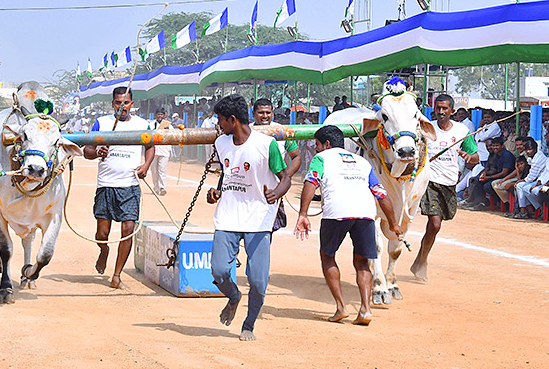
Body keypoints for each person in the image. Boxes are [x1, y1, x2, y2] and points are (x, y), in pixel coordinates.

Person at [204, 94, 289, 341]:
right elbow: (229, 173)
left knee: (258, 281)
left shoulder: (266, 144)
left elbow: (285, 177)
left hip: (259, 218)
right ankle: (233, 296)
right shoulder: (222, 144)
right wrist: (217, 192)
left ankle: (249, 325)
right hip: (228, 216)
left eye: (220, 120)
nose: (218, 125)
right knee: (219, 271)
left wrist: (277, 193)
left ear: (232, 119)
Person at [296, 125, 401, 326]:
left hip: (337, 212)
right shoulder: (362, 162)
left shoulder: (321, 158)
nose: (316, 149)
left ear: (326, 144)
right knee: (362, 263)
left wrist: (303, 214)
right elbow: (381, 193)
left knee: (327, 256)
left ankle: (341, 307)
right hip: (365, 214)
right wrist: (394, 223)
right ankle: (365, 309)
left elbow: (311, 182)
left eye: (317, 145)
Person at [83, 86, 154, 290]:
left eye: (126, 103)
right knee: (102, 234)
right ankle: (103, 251)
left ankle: (116, 274)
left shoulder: (142, 124)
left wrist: (146, 165)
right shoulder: (102, 123)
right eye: (117, 102)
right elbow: (87, 150)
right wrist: (97, 152)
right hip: (106, 185)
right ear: (112, 103)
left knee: (128, 229)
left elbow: (150, 147)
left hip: (129, 186)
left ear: (132, 104)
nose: (122, 106)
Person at [411, 94, 477, 282]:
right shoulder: (426, 129)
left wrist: (467, 157)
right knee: (434, 223)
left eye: (445, 109)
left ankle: (419, 261)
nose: (441, 112)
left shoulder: (462, 130)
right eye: (438, 108)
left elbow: (475, 157)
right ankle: (422, 262)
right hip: (429, 181)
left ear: (452, 111)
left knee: (434, 228)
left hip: (449, 183)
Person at [252, 98, 303, 178]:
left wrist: (286, 177)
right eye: (261, 113)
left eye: (268, 113)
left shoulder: (282, 131)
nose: (265, 116)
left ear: (272, 114)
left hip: (275, 187)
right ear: (253, 114)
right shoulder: (246, 131)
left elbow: (296, 156)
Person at [150, 108, 172, 196]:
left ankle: (162, 187)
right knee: (154, 171)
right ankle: (156, 188)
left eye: (161, 114)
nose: (160, 116)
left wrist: (167, 131)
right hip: (153, 151)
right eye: (158, 114)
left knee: (162, 170)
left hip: (164, 150)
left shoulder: (169, 125)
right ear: (156, 115)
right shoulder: (151, 124)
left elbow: (172, 135)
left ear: (164, 115)